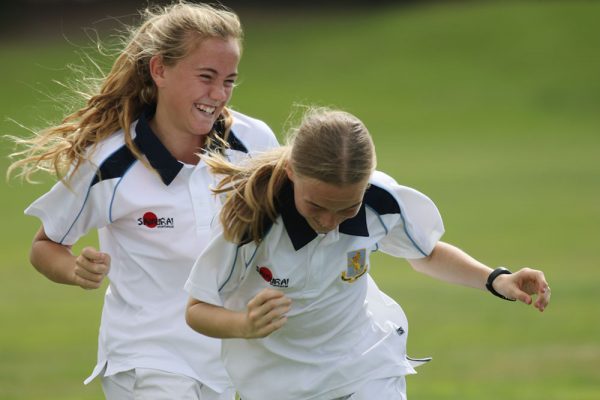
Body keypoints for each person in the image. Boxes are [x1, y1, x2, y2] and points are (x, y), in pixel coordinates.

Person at [7, 2, 279, 399]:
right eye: (206, 77)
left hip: (231, 361)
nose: (218, 94)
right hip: (147, 360)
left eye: (229, 81)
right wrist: (75, 271)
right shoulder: (109, 163)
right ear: (160, 70)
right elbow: (45, 246)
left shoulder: (256, 145)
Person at [184, 107, 551, 400]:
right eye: (316, 206)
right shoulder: (252, 220)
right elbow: (197, 309)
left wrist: (496, 279)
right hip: (275, 384)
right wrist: (244, 325)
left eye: (347, 208)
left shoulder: (381, 201)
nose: (329, 221)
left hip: (365, 363)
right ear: (292, 172)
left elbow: (425, 254)